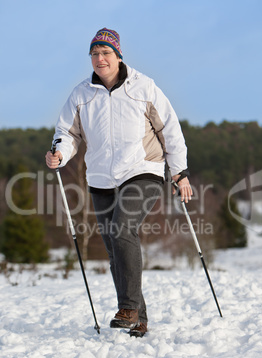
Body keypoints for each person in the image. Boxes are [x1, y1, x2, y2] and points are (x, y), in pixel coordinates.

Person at [46, 28, 192, 337]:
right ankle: (139, 316)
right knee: (115, 246)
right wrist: (60, 152)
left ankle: (127, 307)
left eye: (105, 53)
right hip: (101, 178)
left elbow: (169, 129)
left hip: (143, 170)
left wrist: (179, 172)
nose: (100, 59)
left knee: (123, 227)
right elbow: (68, 133)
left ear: (118, 55)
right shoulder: (81, 94)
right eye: (94, 54)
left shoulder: (143, 88)